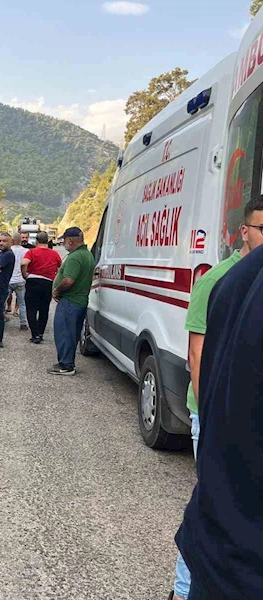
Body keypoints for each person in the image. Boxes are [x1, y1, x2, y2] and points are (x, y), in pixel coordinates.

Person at [169, 200, 263, 600]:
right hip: (210, 414)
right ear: (245, 231)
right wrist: (207, 414)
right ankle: (182, 587)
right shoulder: (221, 279)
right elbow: (197, 354)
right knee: (213, 498)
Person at [48, 227, 94, 375]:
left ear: (70, 240)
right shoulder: (87, 254)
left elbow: (68, 280)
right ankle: (66, 362)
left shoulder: (75, 257)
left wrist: (57, 290)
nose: (63, 244)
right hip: (79, 301)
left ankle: (66, 365)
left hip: (70, 301)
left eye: (64, 241)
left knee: (64, 333)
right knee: (71, 333)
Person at [21, 231, 62, 344]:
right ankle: (40, 333)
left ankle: (34, 335)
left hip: (33, 281)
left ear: (37, 241)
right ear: (47, 241)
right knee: (44, 309)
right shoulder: (54, 254)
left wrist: (25, 274)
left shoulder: (32, 252)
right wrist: (55, 278)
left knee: (31, 308)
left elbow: (24, 263)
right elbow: (60, 268)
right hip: (47, 282)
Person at [8, 232, 29, 331]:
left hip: (9, 280)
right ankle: (23, 323)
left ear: (12, 241)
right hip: (21, 280)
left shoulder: (8, 250)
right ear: (20, 240)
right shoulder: (26, 251)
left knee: (3, 301)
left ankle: (1, 318)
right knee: (22, 303)